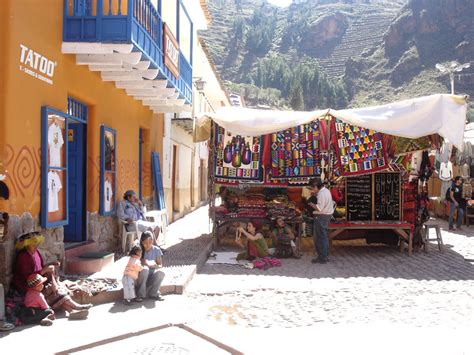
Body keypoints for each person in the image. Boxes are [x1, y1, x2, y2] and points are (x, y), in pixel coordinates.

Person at [12, 232, 92, 319]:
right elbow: (28, 278)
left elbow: (39, 268)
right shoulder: (23, 257)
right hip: (28, 286)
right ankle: (75, 307)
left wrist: (50, 265)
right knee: (53, 291)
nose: (36, 246)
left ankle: (72, 311)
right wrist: (45, 270)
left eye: (36, 244)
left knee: (56, 289)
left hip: (38, 282)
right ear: (27, 245)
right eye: (33, 244)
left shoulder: (36, 253)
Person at [308, 178, 334, 264]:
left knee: (319, 237)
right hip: (326, 216)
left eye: (313, 188)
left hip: (322, 217)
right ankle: (325, 256)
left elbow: (319, 208)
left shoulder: (322, 194)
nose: (312, 189)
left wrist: (311, 204)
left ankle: (322, 257)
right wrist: (315, 195)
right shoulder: (326, 191)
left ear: (316, 186)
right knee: (324, 236)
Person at [137, 231, 165, 301]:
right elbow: (135, 263)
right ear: (142, 242)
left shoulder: (157, 250)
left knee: (161, 272)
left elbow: (160, 265)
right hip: (139, 278)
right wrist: (146, 263)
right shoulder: (138, 249)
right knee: (145, 269)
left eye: (150, 242)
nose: (148, 245)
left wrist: (156, 266)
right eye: (145, 243)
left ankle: (154, 293)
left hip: (151, 277)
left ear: (152, 241)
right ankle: (140, 295)